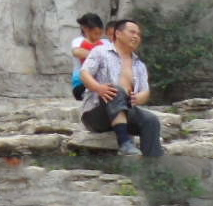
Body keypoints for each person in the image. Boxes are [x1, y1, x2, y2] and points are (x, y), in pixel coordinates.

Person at [79, 18, 163, 157]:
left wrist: (138, 97)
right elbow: (84, 73)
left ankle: (152, 164)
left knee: (151, 120)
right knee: (116, 91)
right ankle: (125, 143)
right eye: (132, 32)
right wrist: (99, 88)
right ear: (118, 33)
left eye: (139, 34)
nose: (136, 36)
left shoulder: (139, 65)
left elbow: (145, 92)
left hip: (125, 112)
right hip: (96, 115)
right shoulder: (100, 52)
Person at [69, 13, 106, 101]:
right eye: (95, 33)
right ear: (85, 29)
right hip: (82, 84)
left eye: (100, 33)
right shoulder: (78, 41)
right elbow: (77, 52)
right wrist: (100, 55)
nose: (98, 36)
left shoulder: (104, 43)